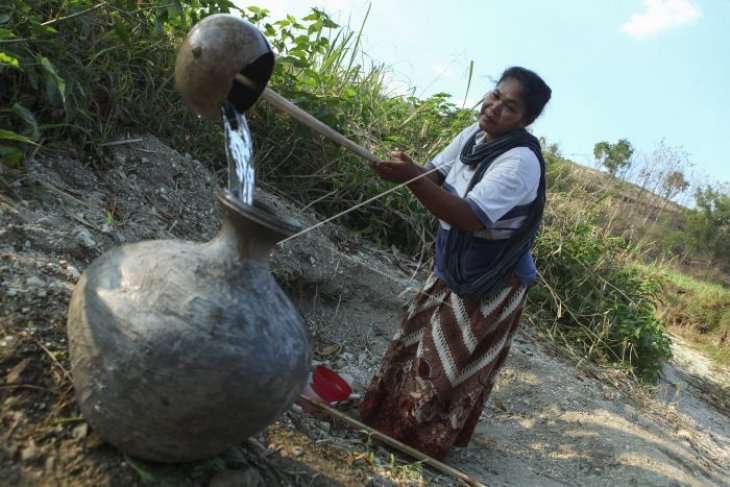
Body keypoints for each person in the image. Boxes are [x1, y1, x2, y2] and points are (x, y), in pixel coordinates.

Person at [361, 66, 552, 460]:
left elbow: (470, 216)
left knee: (446, 362)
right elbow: (434, 175)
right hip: (456, 262)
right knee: (413, 342)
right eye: (495, 95)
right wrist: (404, 172)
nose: (494, 107)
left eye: (510, 106)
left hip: (493, 280)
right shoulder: (475, 136)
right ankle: (384, 419)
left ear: (525, 120)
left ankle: (416, 444)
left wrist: (412, 179)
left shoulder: (519, 162)